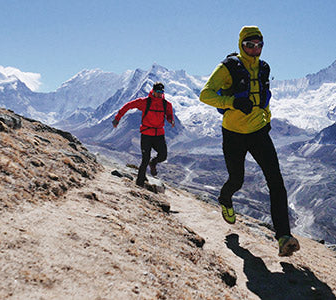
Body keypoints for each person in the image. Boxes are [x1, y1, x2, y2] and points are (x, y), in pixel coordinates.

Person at [199, 26, 299, 256]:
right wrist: (233, 102)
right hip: (233, 134)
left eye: (259, 45)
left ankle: (283, 236)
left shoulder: (264, 68)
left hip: (258, 132)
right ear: (241, 45)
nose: (255, 50)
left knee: (276, 181)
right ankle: (225, 197)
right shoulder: (228, 67)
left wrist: (267, 118)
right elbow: (206, 94)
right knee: (237, 180)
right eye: (249, 45)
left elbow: (265, 98)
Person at [112, 82, 175, 187]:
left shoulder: (166, 104)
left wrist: (171, 120)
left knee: (163, 156)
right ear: (153, 91)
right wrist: (117, 118)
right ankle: (139, 183)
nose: (160, 94)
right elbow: (128, 106)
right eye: (158, 92)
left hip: (159, 134)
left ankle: (153, 163)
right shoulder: (145, 102)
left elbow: (169, 115)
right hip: (146, 134)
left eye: (162, 92)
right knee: (145, 159)